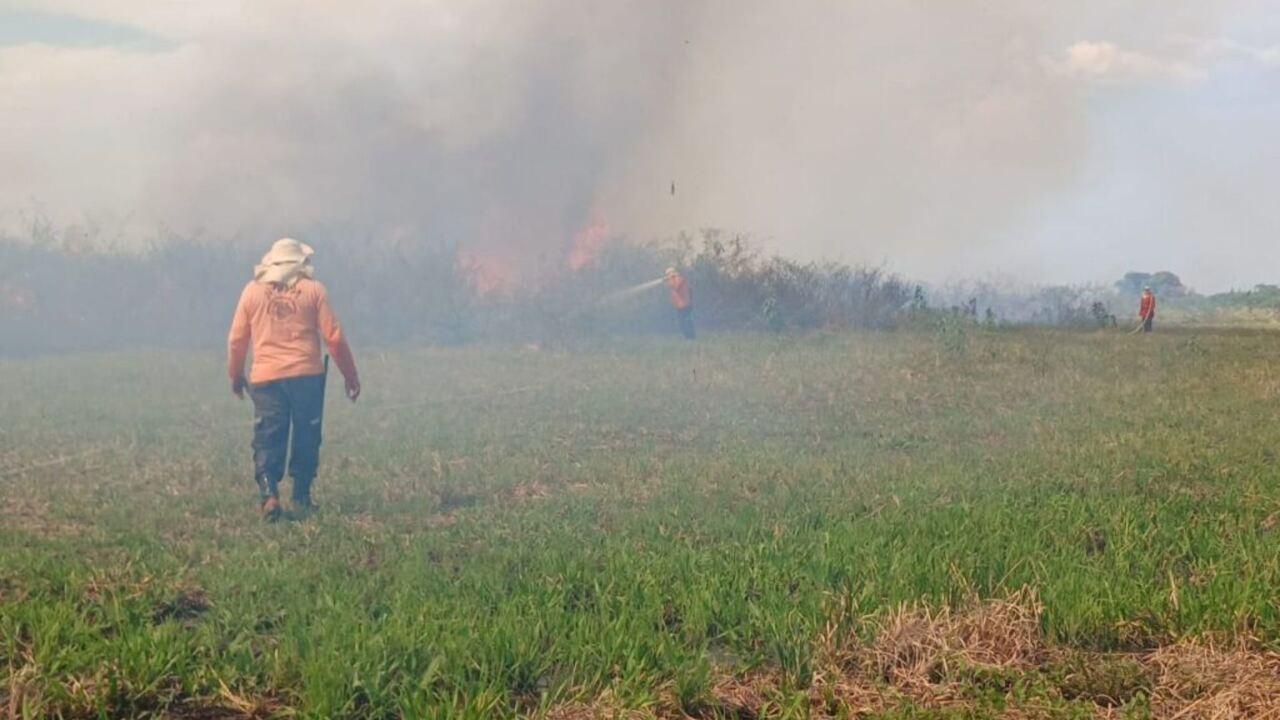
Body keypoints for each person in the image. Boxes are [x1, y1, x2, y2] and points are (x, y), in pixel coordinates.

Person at [227, 238, 360, 520]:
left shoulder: (252, 292)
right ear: (301, 263)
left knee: (267, 436)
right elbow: (333, 338)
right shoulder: (313, 290)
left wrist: (235, 376)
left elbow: (237, 340)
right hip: (306, 376)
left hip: (266, 378)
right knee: (306, 435)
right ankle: (302, 495)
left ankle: (269, 494)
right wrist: (350, 375)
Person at [664, 267, 695, 340]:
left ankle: (691, 337)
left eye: (668, 275)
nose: (667, 276)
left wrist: (670, 280)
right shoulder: (674, 280)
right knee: (682, 323)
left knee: (686, 322)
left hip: (685, 305)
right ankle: (688, 337)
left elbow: (676, 287)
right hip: (680, 306)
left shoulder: (678, 279)